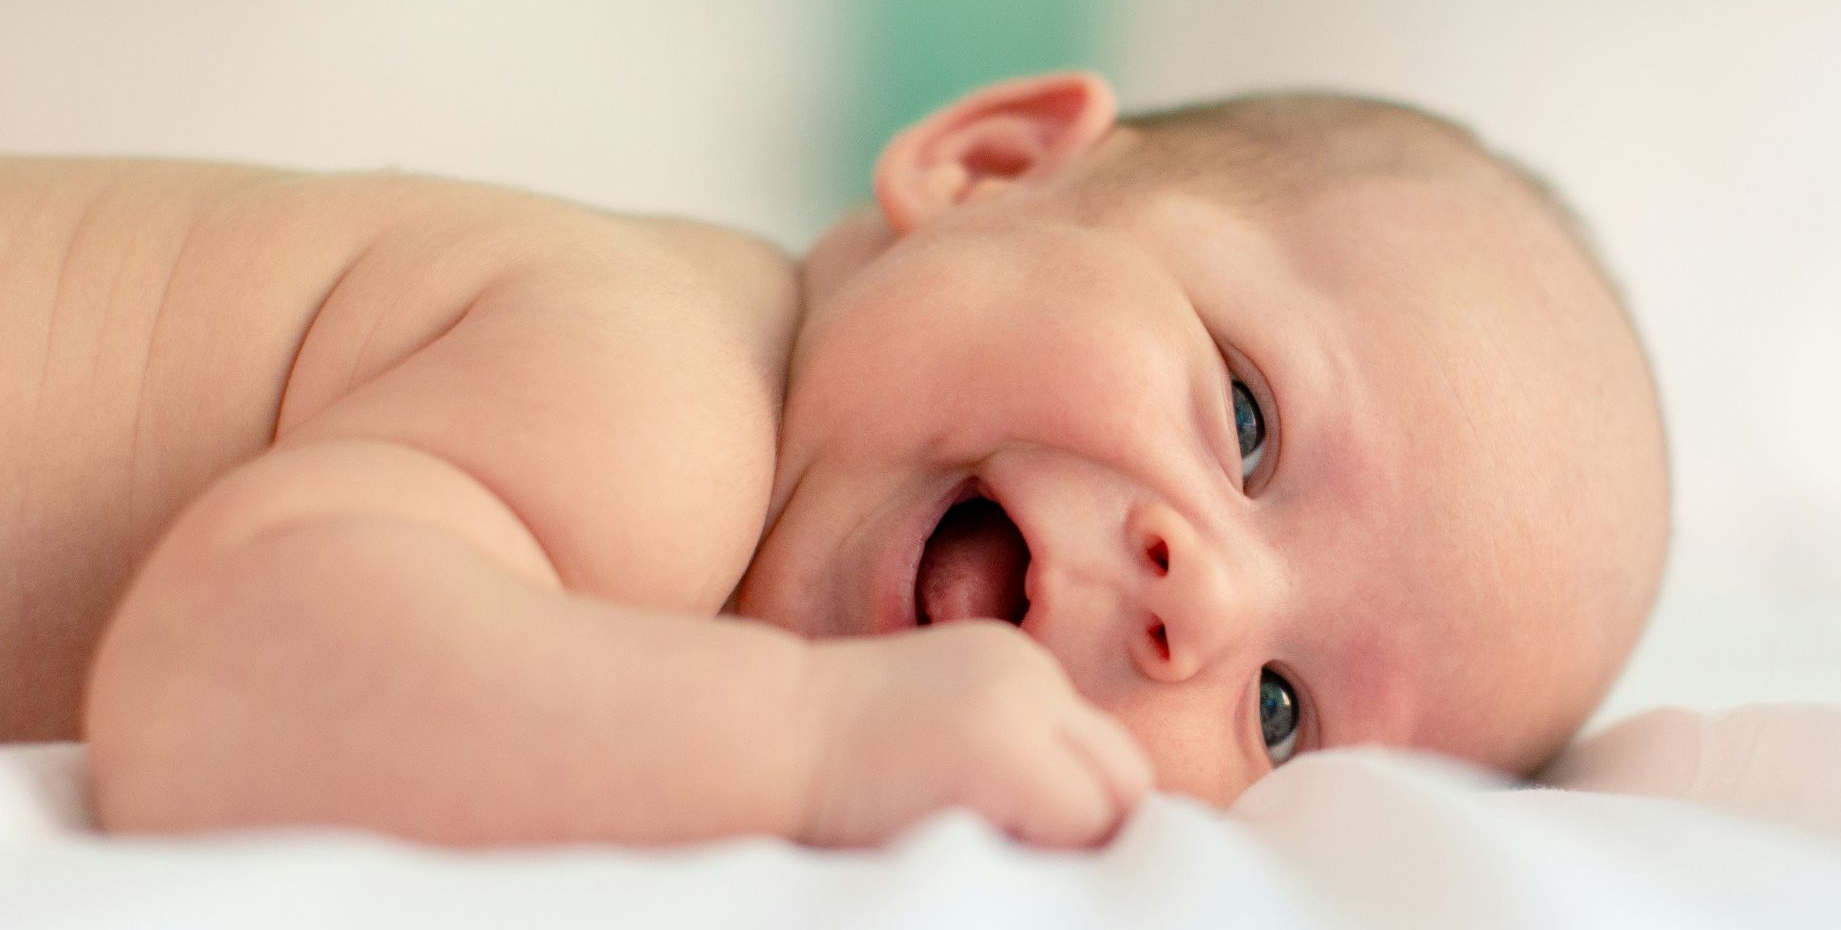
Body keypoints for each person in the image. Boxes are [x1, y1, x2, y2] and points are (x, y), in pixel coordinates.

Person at [0, 71, 1668, 849]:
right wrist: (809, 745)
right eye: (1243, 418)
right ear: (988, 164)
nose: (1201, 606)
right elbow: (222, 692)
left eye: (1282, 715)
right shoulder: (665, 396)